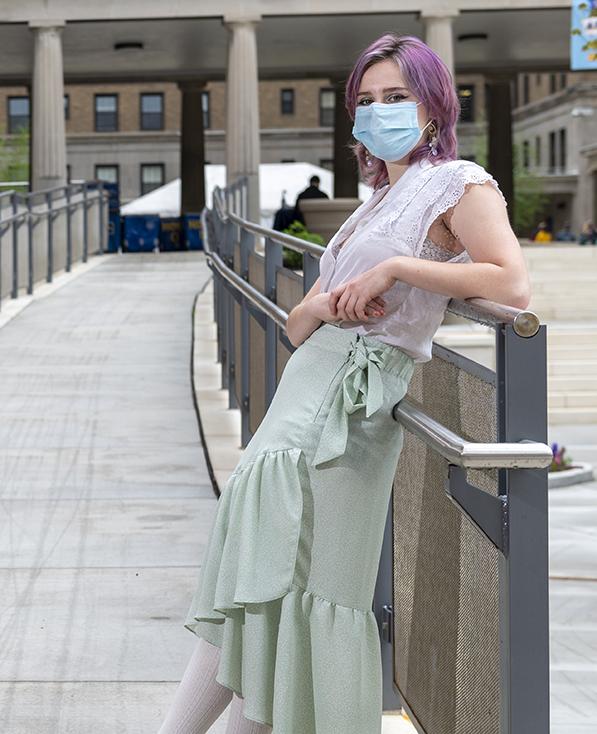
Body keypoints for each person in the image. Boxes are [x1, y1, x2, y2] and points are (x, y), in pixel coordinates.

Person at [159, 35, 529, 734]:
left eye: (396, 97)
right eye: (365, 100)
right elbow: (299, 323)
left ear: (432, 107)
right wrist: (327, 301)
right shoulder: (376, 200)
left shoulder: (459, 182)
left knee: (291, 591)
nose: (378, 111)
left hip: (349, 408)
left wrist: (400, 272)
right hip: (307, 389)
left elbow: (511, 282)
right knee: (259, 591)